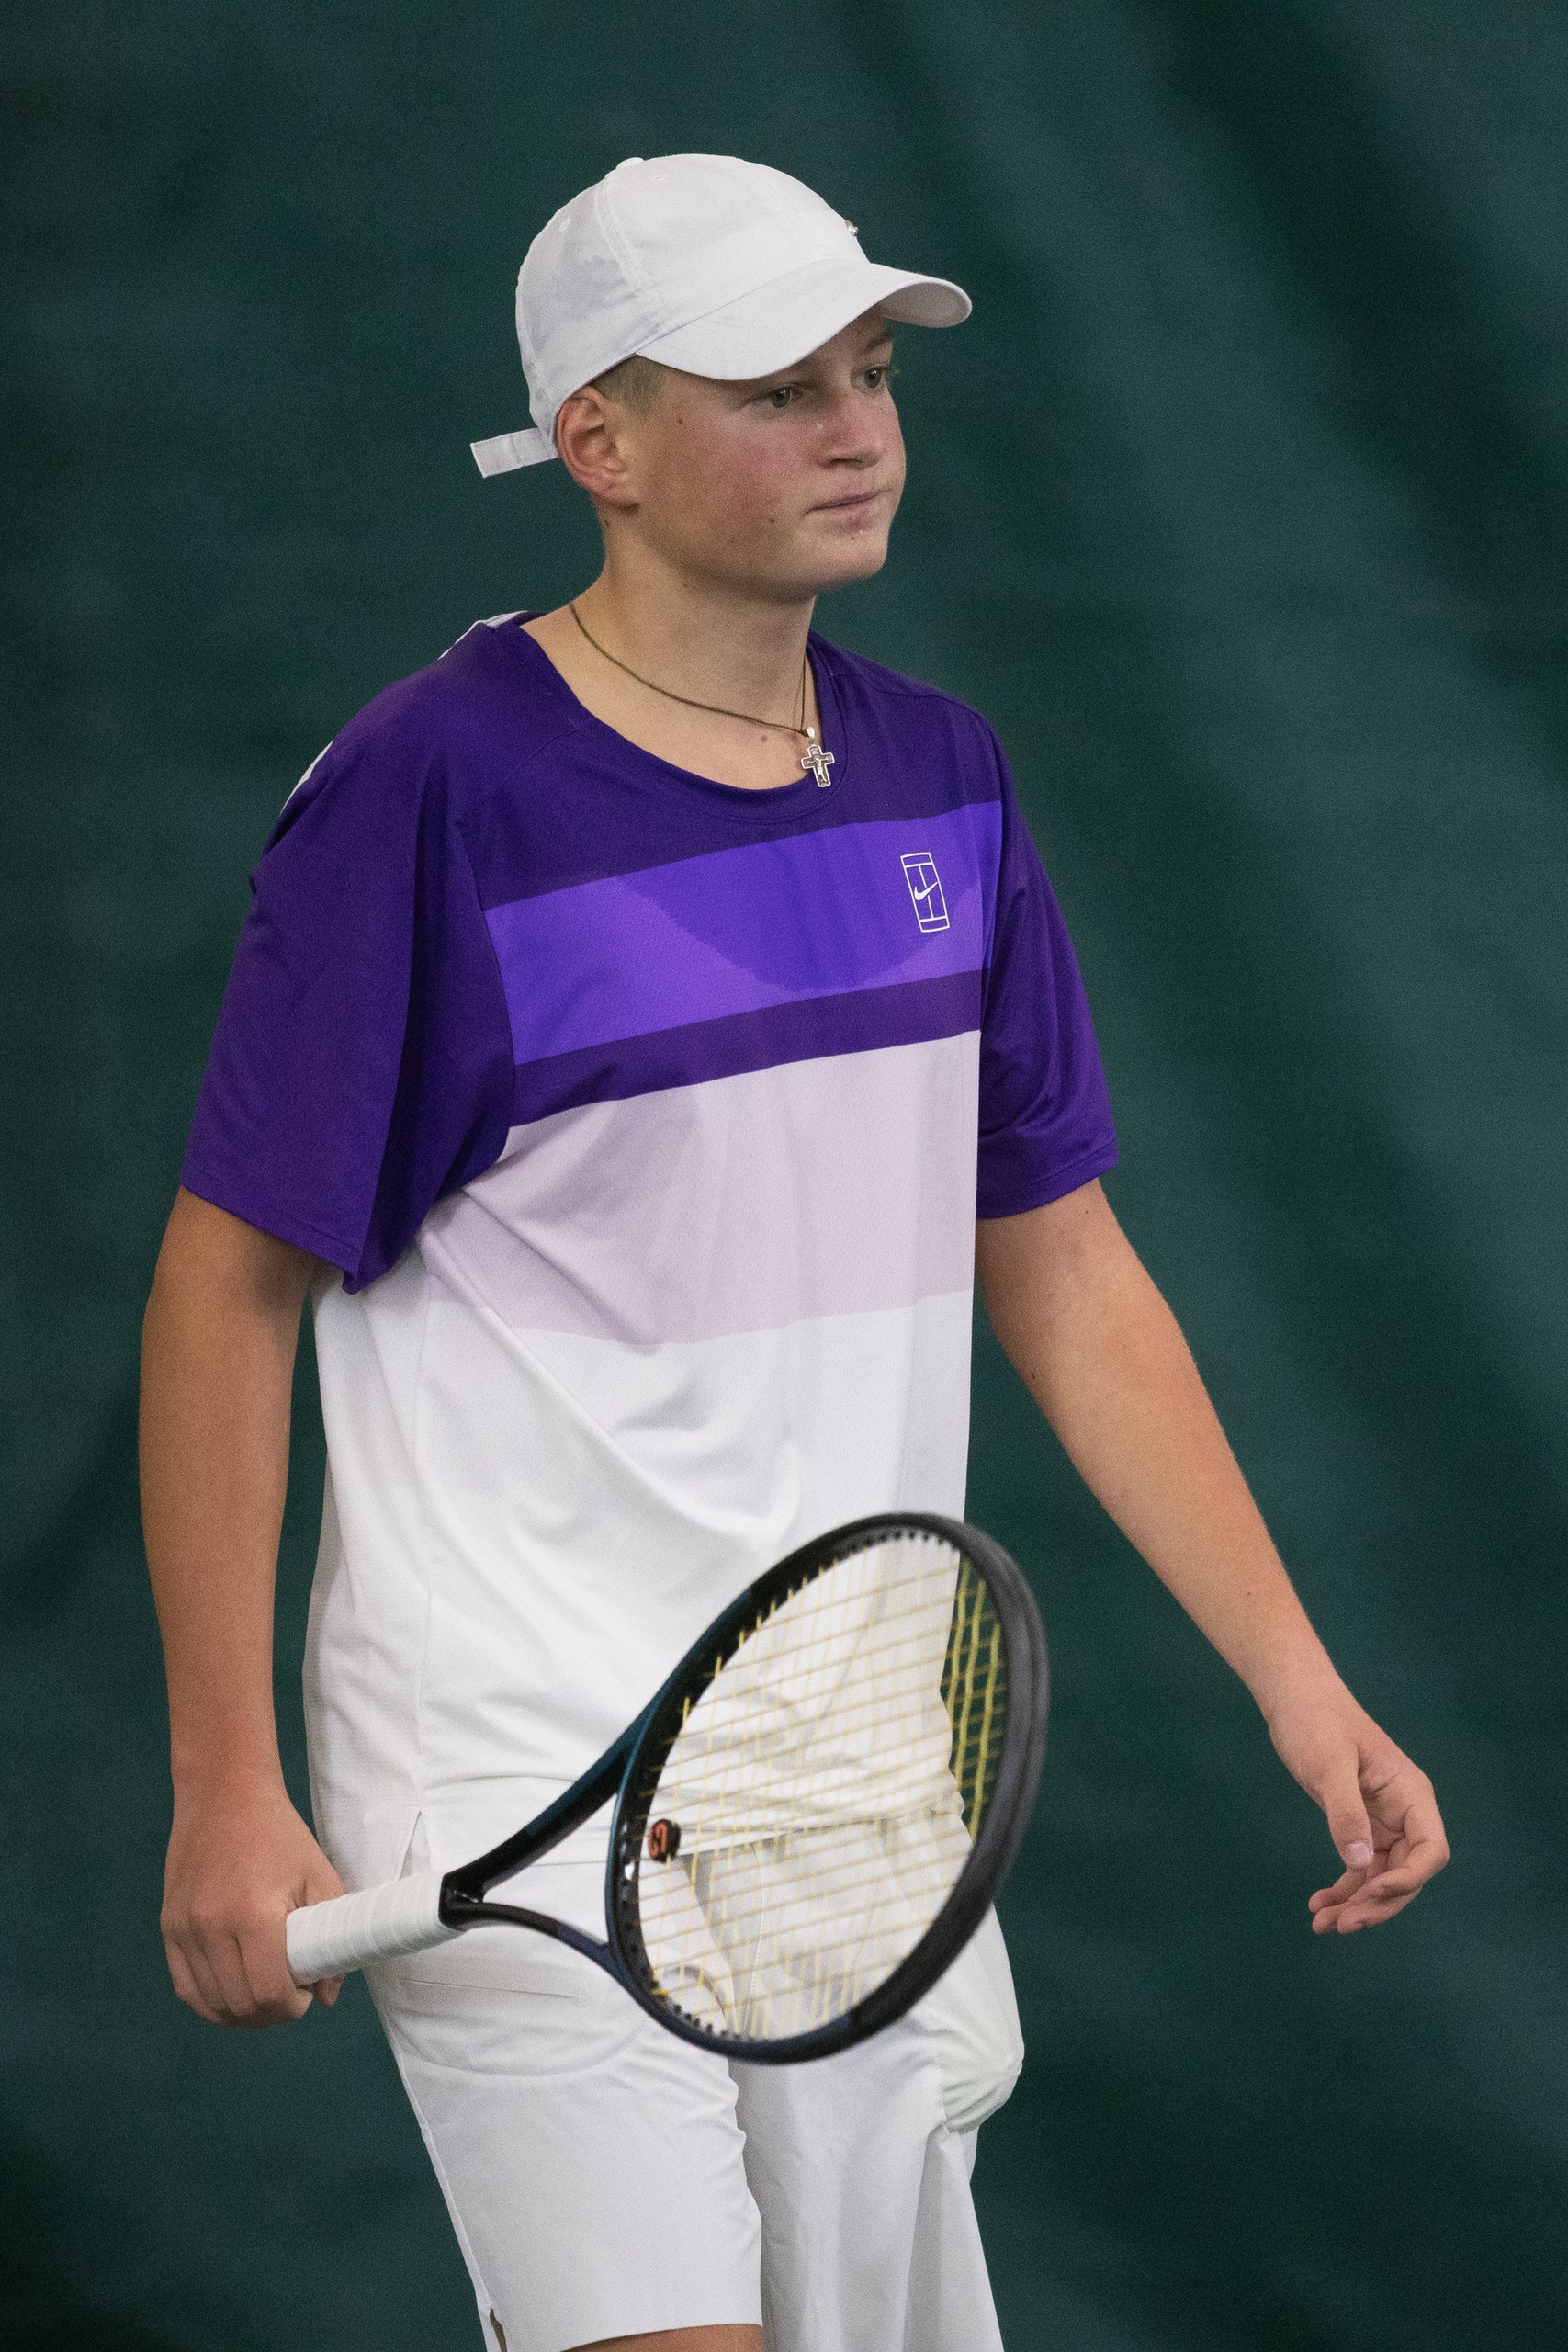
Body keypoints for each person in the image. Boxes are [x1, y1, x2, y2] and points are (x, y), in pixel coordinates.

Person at [140, 153, 1449, 2352]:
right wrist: (225, 1776)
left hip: (853, 1771)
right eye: (775, 389)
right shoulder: (428, 789)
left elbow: (1061, 1261)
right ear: (601, 443)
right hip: (517, 1768)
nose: (855, 429)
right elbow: (224, 1285)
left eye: (869, 375)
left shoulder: (943, 777)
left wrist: (1296, 1680)